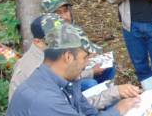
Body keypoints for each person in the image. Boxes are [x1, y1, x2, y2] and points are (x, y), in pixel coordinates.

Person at [8, 14, 140, 110]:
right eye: (53, 38)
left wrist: (115, 93)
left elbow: (81, 106)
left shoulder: (57, 69)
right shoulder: (32, 76)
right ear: (38, 42)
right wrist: (117, 110)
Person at [41, 0, 116, 91]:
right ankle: (93, 102)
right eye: (58, 13)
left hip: (81, 69)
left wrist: (92, 56)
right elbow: (62, 75)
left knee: (108, 65)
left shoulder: (73, 29)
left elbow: (91, 49)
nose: (64, 16)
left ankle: (106, 95)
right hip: (63, 83)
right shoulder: (49, 39)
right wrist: (91, 71)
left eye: (66, 11)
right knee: (89, 84)